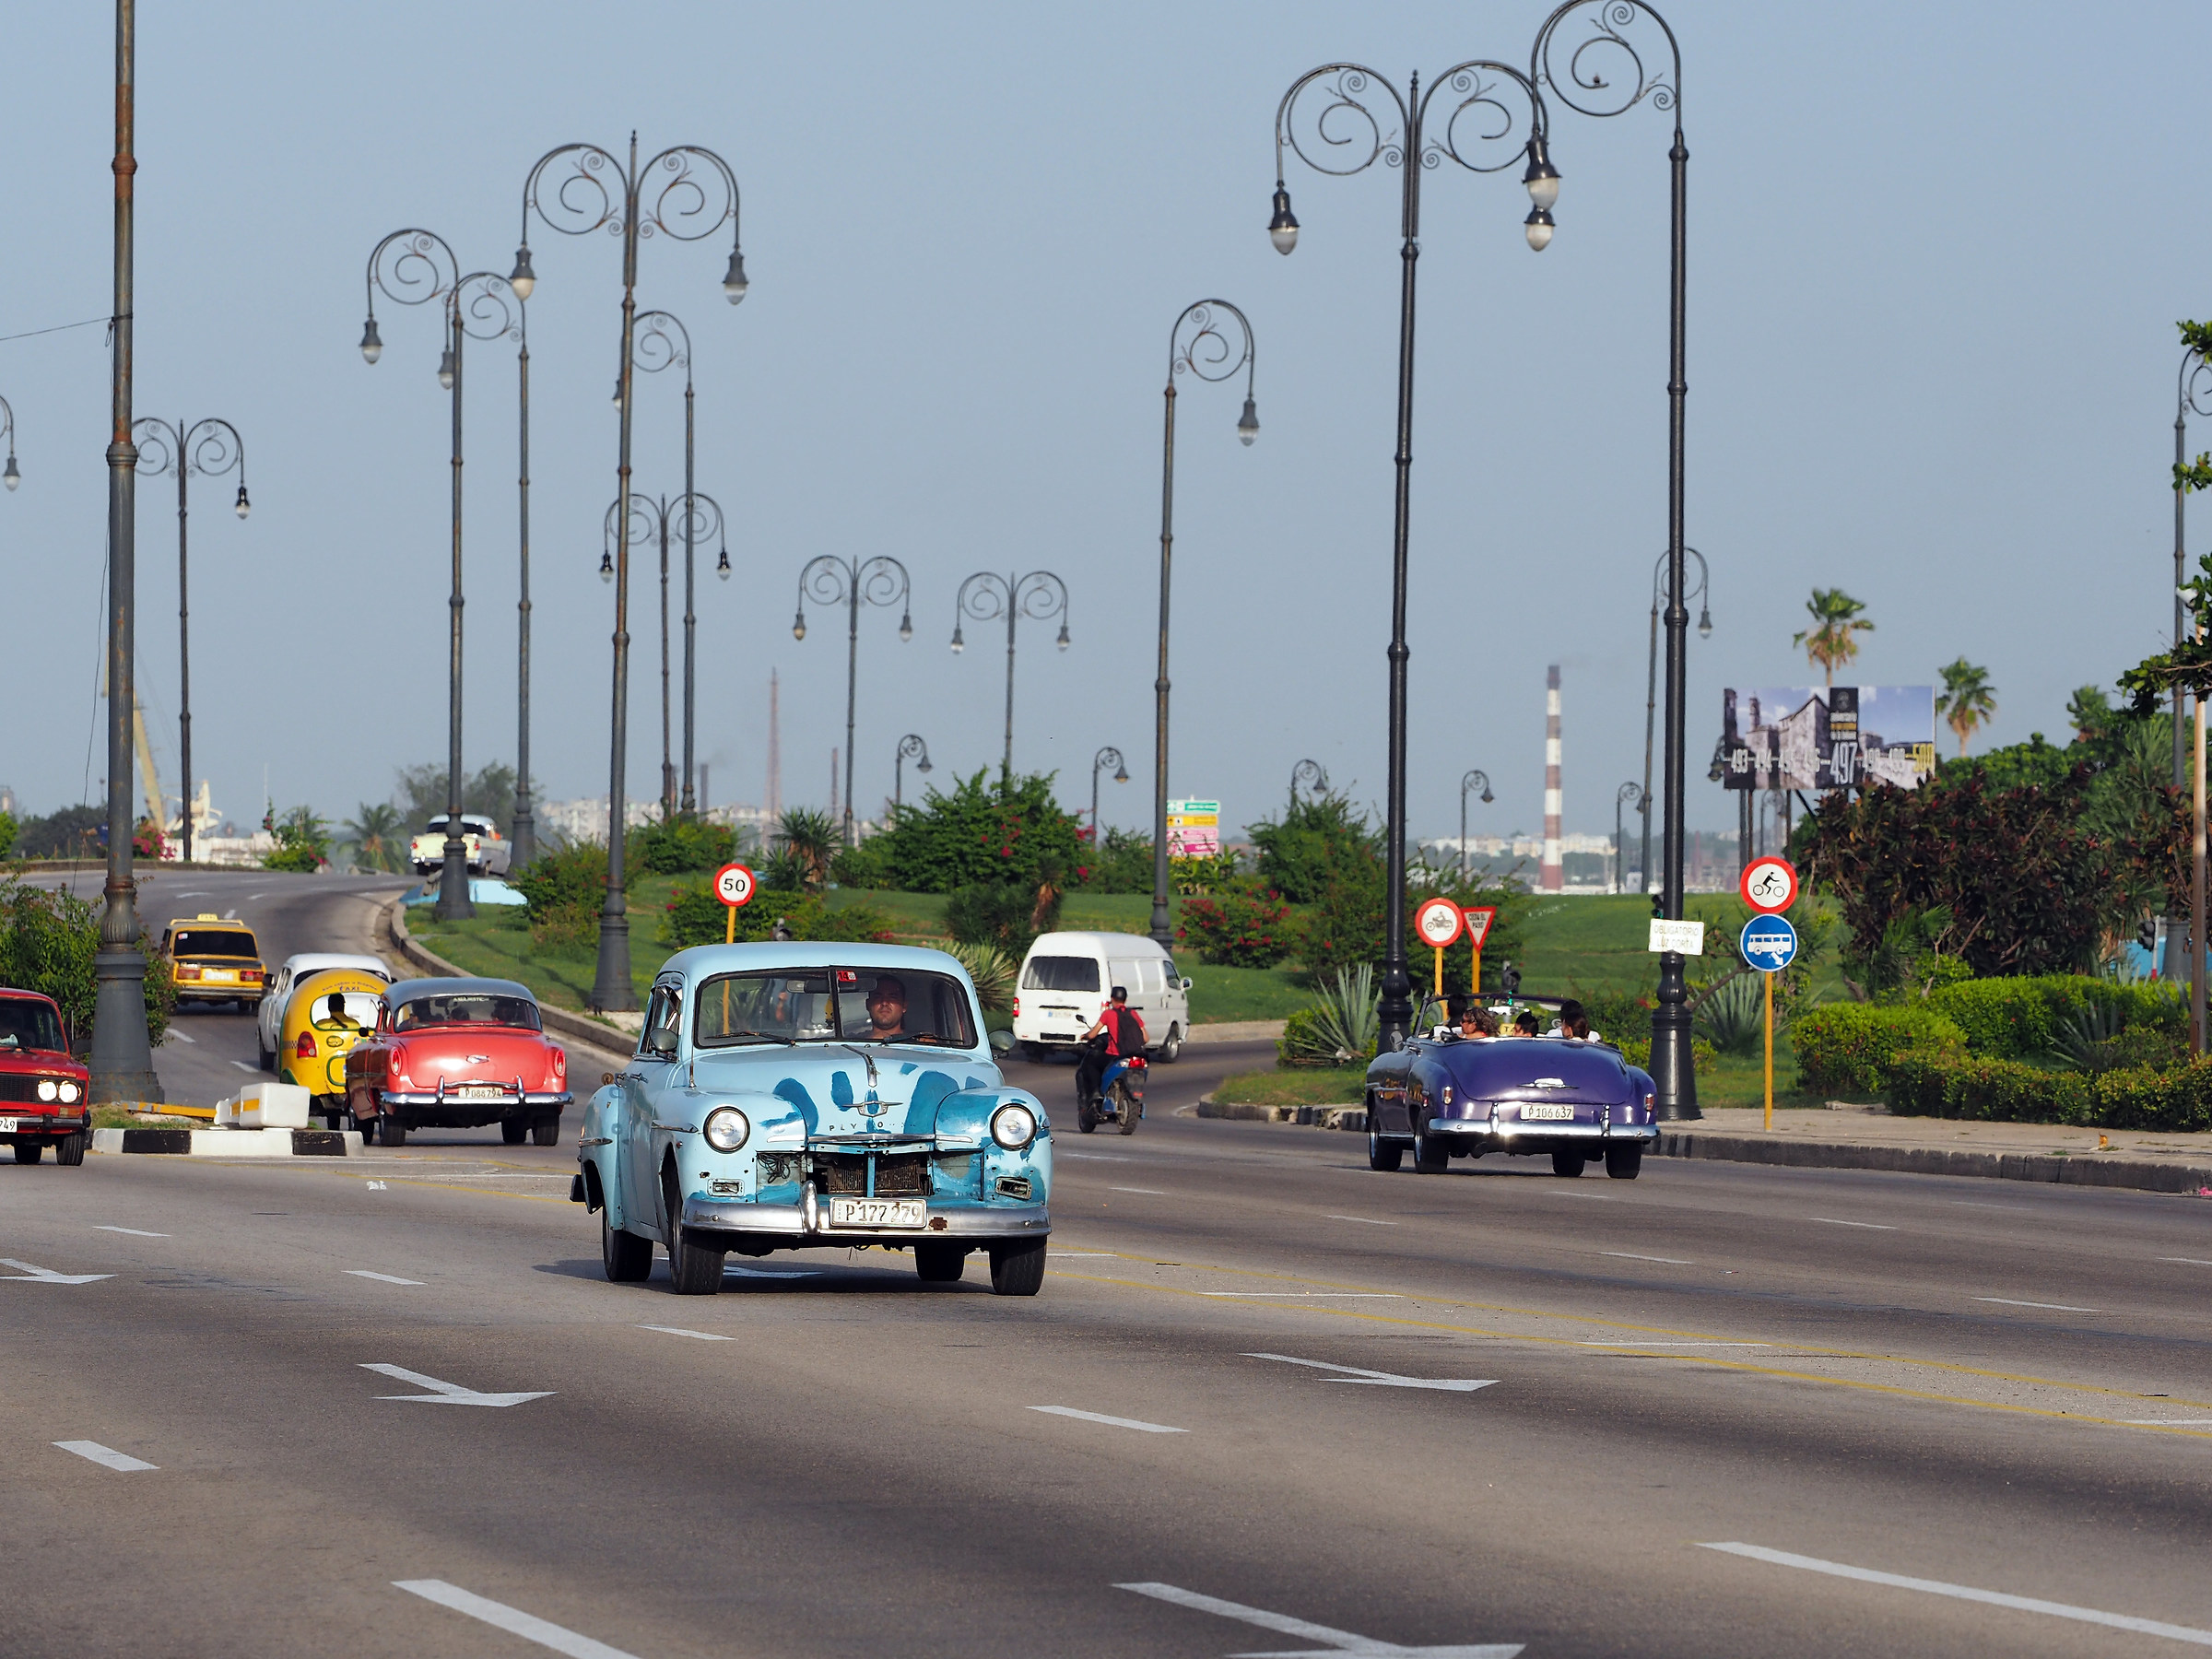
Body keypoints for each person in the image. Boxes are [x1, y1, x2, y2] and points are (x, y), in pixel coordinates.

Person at [1076, 985, 1147, 1107]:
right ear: (1125, 1000)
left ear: (1112, 999)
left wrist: (1085, 1036)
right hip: (1135, 1054)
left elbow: (1093, 1034)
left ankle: (1096, 1093)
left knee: (1091, 1064)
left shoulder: (1108, 1014)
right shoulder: (1133, 1013)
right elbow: (1145, 1038)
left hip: (1115, 1055)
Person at [863, 974, 912, 1042]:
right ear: (868, 1005)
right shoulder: (850, 1043)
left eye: (892, 997)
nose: (884, 1003)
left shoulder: (921, 1044)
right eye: (878, 997)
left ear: (904, 1006)